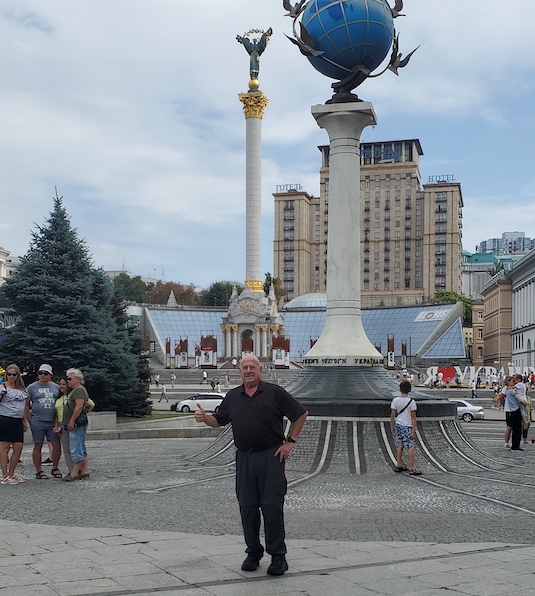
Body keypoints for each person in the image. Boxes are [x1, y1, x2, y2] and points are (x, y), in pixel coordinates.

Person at [195, 355, 308, 576]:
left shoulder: (275, 393)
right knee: (247, 507)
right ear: (240, 371)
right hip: (244, 458)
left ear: (260, 370)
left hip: (270, 456)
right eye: (245, 367)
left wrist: (290, 442)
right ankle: (253, 552)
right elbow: (219, 420)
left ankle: (278, 557)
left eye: (252, 367)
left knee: (271, 507)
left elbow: (301, 414)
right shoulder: (233, 396)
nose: (248, 370)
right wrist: (204, 417)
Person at [26, 364, 62, 479]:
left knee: (56, 445)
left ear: (50, 375)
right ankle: (39, 470)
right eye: (40, 373)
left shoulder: (56, 387)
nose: (42, 375)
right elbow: (25, 403)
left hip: (52, 422)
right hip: (37, 421)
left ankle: (55, 467)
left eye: (45, 373)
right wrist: (29, 419)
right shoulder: (31, 387)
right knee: (38, 445)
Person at [54, 377, 95, 474]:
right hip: (62, 423)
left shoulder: (74, 394)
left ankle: (81, 470)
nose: (61, 386)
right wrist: (56, 425)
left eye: (64, 384)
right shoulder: (59, 397)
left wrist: (87, 407)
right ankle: (71, 470)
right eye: (60, 384)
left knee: (77, 446)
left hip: (72, 423)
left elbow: (89, 403)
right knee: (67, 449)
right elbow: (55, 412)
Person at [0, 364, 28, 485]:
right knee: (4, 447)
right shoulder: (3, 387)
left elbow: (24, 406)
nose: (11, 376)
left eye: (14, 374)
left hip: (18, 419)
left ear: (18, 375)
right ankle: (5, 474)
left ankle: (12, 472)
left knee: (18, 447)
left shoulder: (22, 390)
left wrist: (25, 420)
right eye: (9, 374)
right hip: (6, 418)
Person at [62, 368, 91, 481]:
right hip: (78, 423)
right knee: (80, 446)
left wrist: (72, 420)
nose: (68, 381)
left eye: (69, 378)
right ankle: (84, 471)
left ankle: (75, 472)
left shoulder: (78, 390)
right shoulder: (78, 390)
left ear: (78, 379)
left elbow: (79, 406)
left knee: (76, 446)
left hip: (77, 423)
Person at [390, 380, 421, 475]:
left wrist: (392, 425)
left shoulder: (395, 400)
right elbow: (413, 417)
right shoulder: (411, 402)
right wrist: (413, 430)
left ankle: (398, 464)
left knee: (400, 445)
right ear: (409, 390)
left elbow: (393, 414)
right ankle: (411, 467)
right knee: (410, 446)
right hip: (407, 425)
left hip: (398, 424)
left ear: (400, 389)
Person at [503, 375, 526, 451]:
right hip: (514, 411)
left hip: (512, 411)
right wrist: (524, 402)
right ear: (509, 382)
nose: (514, 382)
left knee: (514, 428)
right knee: (516, 429)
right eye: (512, 381)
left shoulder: (511, 389)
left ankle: (514, 445)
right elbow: (518, 398)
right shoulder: (512, 390)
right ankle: (515, 445)